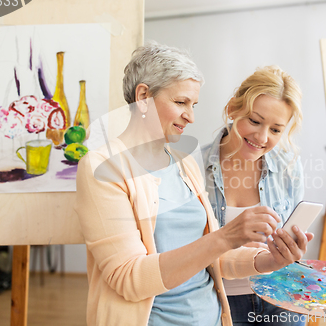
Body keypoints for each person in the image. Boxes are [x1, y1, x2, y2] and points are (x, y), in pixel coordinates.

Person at [75, 44, 313, 326]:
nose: (191, 116)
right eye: (181, 103)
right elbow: (130, 278)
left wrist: (269, 260)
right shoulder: (103, 166)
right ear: (143, 97)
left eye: (193, 105)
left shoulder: (183, 162)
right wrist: (224, 236)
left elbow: (214, 259)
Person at [202, 66, 307, 325]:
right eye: (255, 121)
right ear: (232, 108)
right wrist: (230, 244)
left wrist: (294, 250)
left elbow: (293, 234)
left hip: (281, 296)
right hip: (220, 301)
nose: (262, 137)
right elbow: (183, 250)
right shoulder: (193, 167)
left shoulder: (289, 167)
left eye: (275, 130)